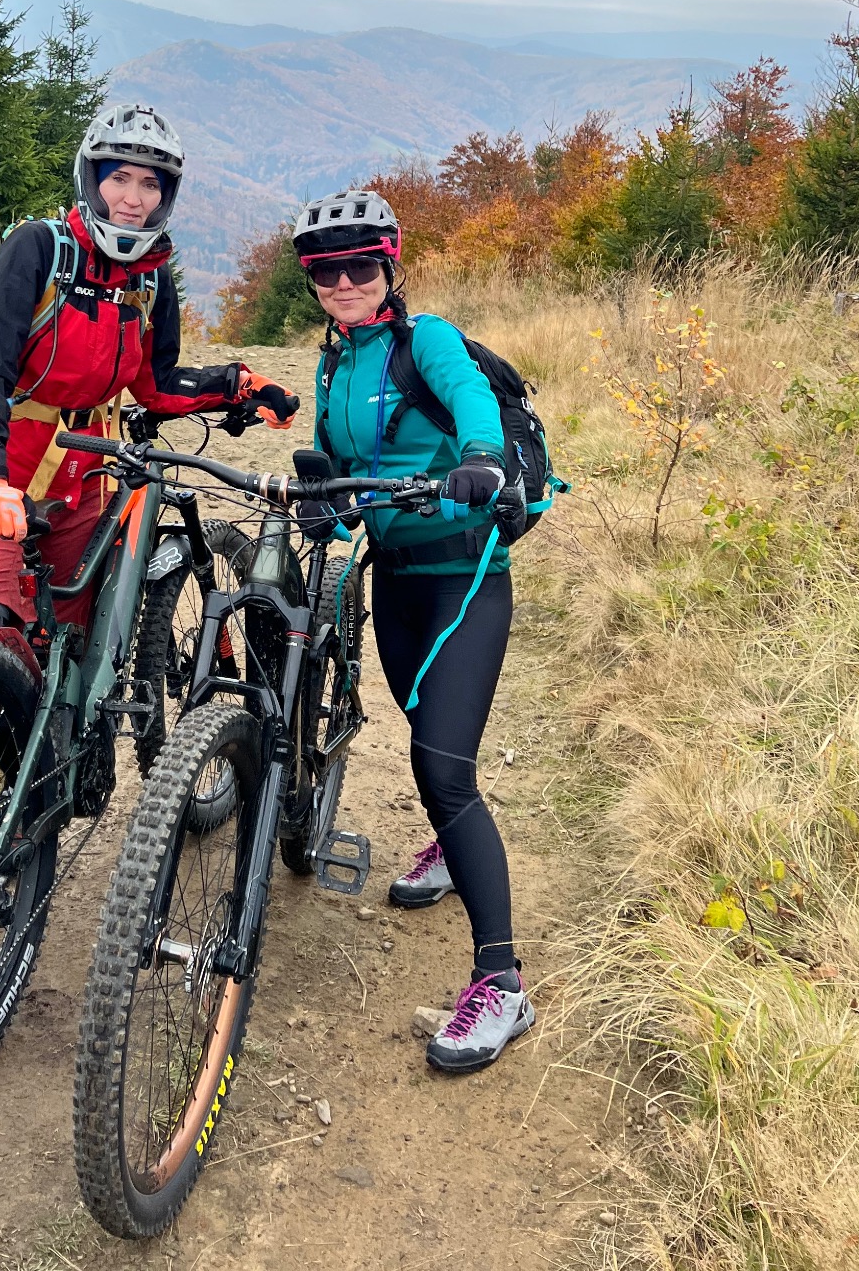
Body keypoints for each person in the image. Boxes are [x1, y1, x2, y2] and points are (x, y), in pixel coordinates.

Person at [293, 188, 533, 1073]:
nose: (345, 282)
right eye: (327, 269)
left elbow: (471, 401)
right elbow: (349, 470)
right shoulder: (333, 363)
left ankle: (502, 986)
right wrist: (328, 509)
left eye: (361, 265)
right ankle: (449, 837)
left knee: (443, 766)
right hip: (393, 581)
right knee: (426, 736)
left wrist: (480, 460)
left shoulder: (420, 339)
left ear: (389, 268)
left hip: (466, 576)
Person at [0, 102, 295, 642]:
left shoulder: (150, 279)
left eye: (150, 184)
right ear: (91, 178)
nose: (133, 199)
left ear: (165, 196)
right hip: (4, 473)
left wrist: (238, 386)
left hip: (91, 484)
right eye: (119, 178)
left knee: (72, 650)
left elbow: (157, 384)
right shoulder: (38, 250)